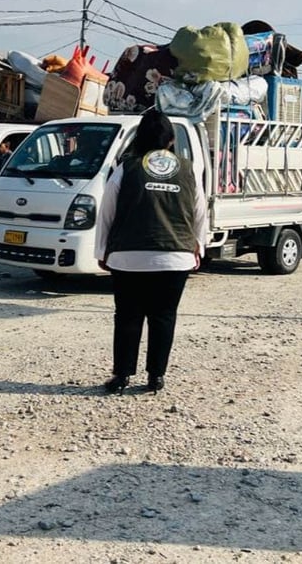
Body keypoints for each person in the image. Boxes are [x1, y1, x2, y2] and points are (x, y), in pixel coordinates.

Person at [94, 110, 208, 394]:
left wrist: (102, 250)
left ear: (139, 139)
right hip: (175, 256)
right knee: (164, 316)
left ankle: (121, 377)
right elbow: (199, 211)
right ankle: (155, 377)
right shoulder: (187, 167)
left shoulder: (127, 166)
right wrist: (198, 245)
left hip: (128, 256)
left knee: (128, 317)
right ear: (170, 140)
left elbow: (107, 210)